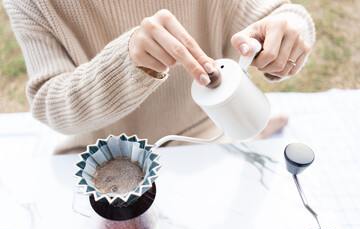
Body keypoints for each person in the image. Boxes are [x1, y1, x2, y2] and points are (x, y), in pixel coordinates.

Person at [4, 0, 315, 154]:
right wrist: (125, 63)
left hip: (201, 135)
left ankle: (244, 135)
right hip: (101, 153)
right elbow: (49, 103)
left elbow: (275, 13)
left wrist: (288, 28)